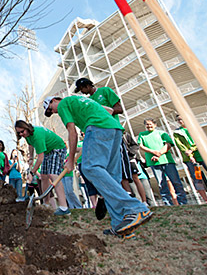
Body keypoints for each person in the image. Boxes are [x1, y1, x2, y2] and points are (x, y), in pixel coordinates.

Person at [44, 95, 152, 237]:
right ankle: (120, 225)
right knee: (112, 177)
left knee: (90, 167)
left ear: (53, 101)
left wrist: (70, 159)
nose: (54, 113)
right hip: (114, 129)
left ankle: (135, 208)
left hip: (97, 128)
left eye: (51, 109)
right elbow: (108, 110)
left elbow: (72, 132)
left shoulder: (63, 104)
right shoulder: (81, 100)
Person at [76, 78, 136, 198]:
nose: (82, 92)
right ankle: (113, 195)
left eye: (82, 89)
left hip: (112, 131)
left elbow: (119, 108)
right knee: (106, 165)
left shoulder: (105, 91)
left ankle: (128, 193)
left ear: (87, 85)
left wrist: (105, 111)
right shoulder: (88, 101)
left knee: (119, 162)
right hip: (98, 136)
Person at [14, 120, 70, 216]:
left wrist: (32, 173)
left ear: (27, 128)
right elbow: (30, 145)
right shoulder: (28, 136)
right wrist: (31, 157)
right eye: (19, 133)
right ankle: (46, 204)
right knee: (43, 177)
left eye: (22, 131)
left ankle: (64, 207)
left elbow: (40, 158)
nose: (21, 134)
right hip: (48, 151)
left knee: (52, 175)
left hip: (58, 148)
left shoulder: (37, 135)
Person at [137, 118, 187, 206]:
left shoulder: (161, 133)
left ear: (155, 125)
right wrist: (153, 152)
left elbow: (168, 144)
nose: (149, 126)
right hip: (153, 163)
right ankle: (168, 203)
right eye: (147, 124)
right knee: (161, 184)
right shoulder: (142, 134)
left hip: (167, 160)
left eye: (150, 124)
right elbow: (141, 146)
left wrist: (159, 154)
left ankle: (183, 202)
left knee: (175, 181)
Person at [173, 114, 207, 203]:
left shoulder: (195, 128)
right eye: (178, 120)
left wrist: (192, 149)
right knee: (197, 178)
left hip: (201, 155)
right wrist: (189, 155)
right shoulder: (177, 132)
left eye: (182, 119)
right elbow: (180, 145)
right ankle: (205, 200)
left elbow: (200, 140)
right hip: (190, 159)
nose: (180, 121)